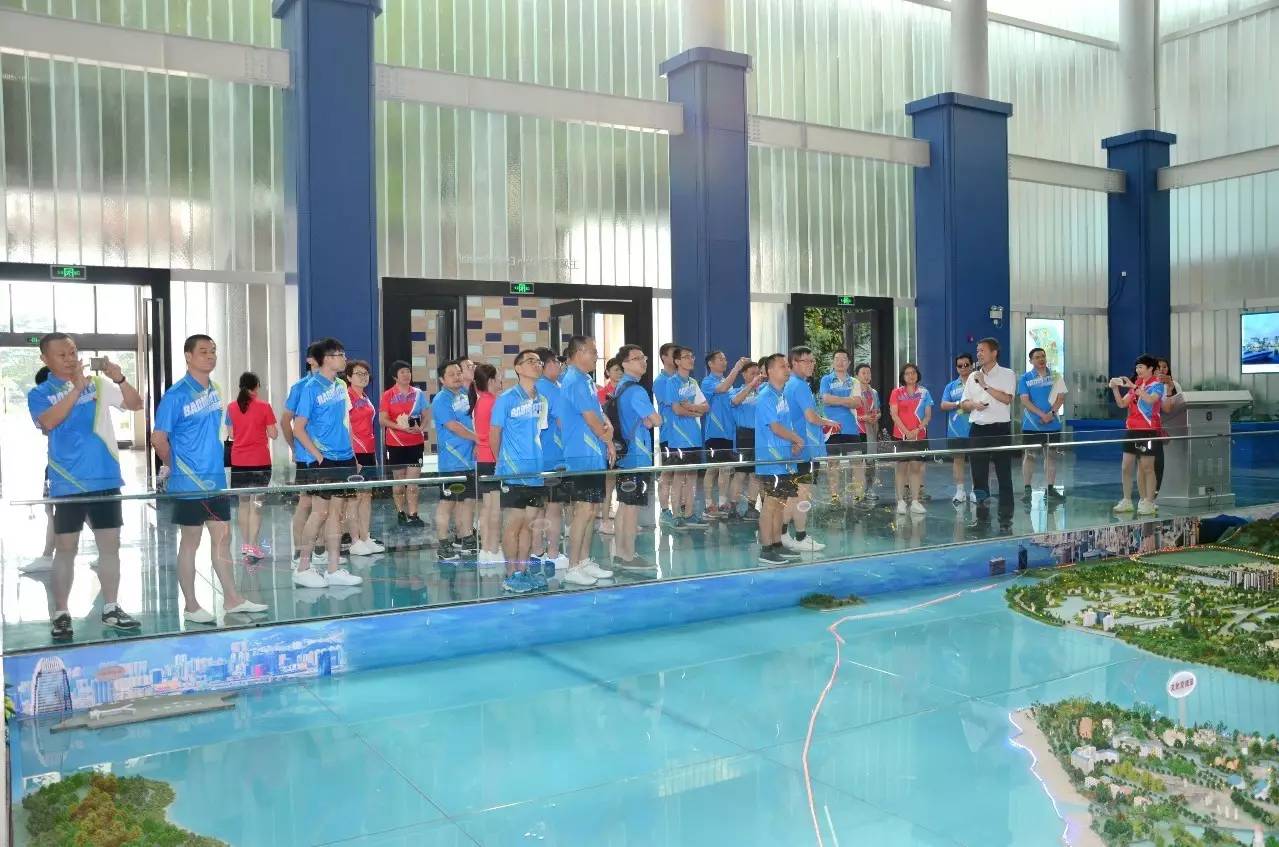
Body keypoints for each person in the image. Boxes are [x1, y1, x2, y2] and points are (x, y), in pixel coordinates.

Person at [29, 333, 144, 639]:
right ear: (45, 359)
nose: (70, 359)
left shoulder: (99, 385)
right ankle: (61, 613)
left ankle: (111, 607)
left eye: (73, 352)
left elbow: (136, 403)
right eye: (62, 355)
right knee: (66, 549)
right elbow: (48, 422)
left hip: (105, 478)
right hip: (67, 483)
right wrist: (76, 390)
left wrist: (119, 378)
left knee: (110, 547)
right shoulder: (40, 393)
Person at [153, 334, 269, 624]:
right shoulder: (176, 395)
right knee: (190, 541)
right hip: (189, 483)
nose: (210, 356)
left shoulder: (215, 390)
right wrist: (174, 466)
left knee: (223, 537)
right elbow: (158, 438)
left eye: (213, 351)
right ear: (188, 356)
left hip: (215, 479)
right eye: (203, 351)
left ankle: (232, 599)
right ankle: (191, 606)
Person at [291, 337, 363, 588]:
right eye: (340, 354)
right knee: (319, 512)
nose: (344, 359)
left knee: (336, 514)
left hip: (345, 457)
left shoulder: (341, 385)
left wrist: (353, 454)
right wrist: (319, 456)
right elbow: (298, 427)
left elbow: (346, 422)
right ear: (326, 359)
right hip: (324, 459)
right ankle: (303, 567)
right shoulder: (310, 388)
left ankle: (333, 568)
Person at [491, 350, 551, 594]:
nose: (537, 365)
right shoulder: (506, 398)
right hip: (513, 472)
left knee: (529, 525)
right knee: (513, 525)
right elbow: (494, 433)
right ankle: (510, 574)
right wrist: (501, 463)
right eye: (530, 361)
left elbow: (539, 432)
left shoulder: (542, 400)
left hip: (535, 471)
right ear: (518, 368)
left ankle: (523, 571)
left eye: (539, 361)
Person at [559, 335, 616, 585]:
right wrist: (608, 439)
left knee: (592, 510)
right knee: (582, 511)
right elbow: (591, 419)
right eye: (593, 351)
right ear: (579, 352)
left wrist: (608, 432)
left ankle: (583, 560)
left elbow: (600, 413)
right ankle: (572, 566)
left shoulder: (586, 380)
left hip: (593, 453)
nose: (596, 356)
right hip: (580, 453)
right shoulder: (573, 380)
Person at [782, 346, 838, 552]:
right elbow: (811, 417)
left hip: (796, 448)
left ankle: (787, 534)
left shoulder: (790, 384)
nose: (811, 364)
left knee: (795, 494)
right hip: (803, 449)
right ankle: (796, 536)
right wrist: (828, 421)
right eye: (806, 361)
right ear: (794, 363)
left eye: (812, 361)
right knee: (800, 494)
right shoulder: (800, 386)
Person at [612, 344, 661, 572]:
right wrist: (651, 419)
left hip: (625, 454)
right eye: (636, 358)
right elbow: (656, 420)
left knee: (624, 505)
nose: (643, 361)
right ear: (624, 364)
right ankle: (628, 556)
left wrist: (648, 419)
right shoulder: (636, 391)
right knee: (631, 508)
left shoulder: (621, 387)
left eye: (644, 357)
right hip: (637, 455)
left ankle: (621, 553)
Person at [755, 354, 805, 566]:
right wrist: (797, 439)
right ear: (770, 371)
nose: (787, 369)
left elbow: (785, 425)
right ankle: (766, 549)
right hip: (771, 459)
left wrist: (793, 444)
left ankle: (777, 544)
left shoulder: (781, 395)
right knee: (770, 504)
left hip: (785, 459)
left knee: (779, 504)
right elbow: (775, 427)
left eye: (787, 366)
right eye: (782, 366)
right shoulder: (766, 396)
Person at [961, 337, 1017, 524]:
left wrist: (985, 385)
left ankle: (1006, 519)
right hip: (978, 429)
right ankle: (982, 517)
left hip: (1000, 428)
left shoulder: (1007, 374)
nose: (978, 354)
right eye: (977, 350)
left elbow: (1007, 399)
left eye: (982, 350)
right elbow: (964, 403)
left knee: (1004, 472)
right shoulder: (972, 376)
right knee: (978, 473)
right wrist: (973, 404)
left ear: (994, 353)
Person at [226, 371, 277, 561]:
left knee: (243, 504)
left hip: (239, 462)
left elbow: (231, 434)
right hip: (260, 462)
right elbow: (273, 434)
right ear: (256, 386)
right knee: (257, 504)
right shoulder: (264, 407)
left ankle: (246, 544)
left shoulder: (231, 407)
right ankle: (253, 546)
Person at [432, 359, 479, 560]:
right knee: (448, 503)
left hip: (469, 460)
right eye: (451, 374)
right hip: (452, 461)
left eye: (459, 373)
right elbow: (453, 426)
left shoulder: (466, 395)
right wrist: (478, 438)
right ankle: (443, 543)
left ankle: (466, 538)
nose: (457, 377)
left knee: (467, 501)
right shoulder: (441, 400)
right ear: (442, 379)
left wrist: (477, 443)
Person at [1111, 354, 1170, 515]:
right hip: (1131, 430)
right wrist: (1115, 388)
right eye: (1137, 367)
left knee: (1147, 467)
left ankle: (1149, 501)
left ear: (1150, 368)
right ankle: (1127, 500)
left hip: (1148, 431)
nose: (1138, 370)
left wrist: (1133, 387)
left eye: (1141, 367)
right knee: (1126, 466)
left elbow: (1150, 400)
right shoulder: (1136, 385)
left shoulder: (1157, 385)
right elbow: (1122, 403)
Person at [661, 346, 709, 528]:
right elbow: (676, 409)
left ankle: (689, 514)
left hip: (695, 437)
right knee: (678, 478)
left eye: (692, 356)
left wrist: (691, 407)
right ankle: (676, 515)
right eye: (686, 356)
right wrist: (695, 411)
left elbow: (706, 407)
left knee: (692, 477)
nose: (691, 359)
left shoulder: (693, 382)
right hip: (678, 438)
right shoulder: (671, 382)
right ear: (677, 361)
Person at [533, 348, 569, 571]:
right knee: (553, 507)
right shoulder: (547, 388)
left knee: (541, 507)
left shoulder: (544, 387)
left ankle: (537, 551)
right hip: (552, 457)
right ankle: (553, 553)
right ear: (544, 366)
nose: (559, 365)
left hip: (544, 456)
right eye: (555, 362)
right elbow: (563, 421)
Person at [380, 360, 428, 528]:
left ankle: (414, 514)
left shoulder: (418, 394)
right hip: (396, 444)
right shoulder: (388, 395)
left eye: (408, 371)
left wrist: (421, 427)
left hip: (416, 444)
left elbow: (426, 414)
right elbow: (382, 420)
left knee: (413, 482)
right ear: (395, 376)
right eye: (402, 372)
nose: (406, 375)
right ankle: (400, 512)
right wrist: (400, 427)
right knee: (399, 482)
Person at [701, 351, 749, 519]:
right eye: (720, 359)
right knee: (712, 469)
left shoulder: (729, 384)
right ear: (710, 364)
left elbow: (734, 400)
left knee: (726, 469)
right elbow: (722, 388)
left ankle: (722, 503)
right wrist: (737, 368)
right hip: (715, 433)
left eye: (725, 359)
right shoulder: (707, 382)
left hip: (729, 433)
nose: (724, 361)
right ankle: (708, 505)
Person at [344, 360, 384, 556]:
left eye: (366, 373)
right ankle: (354, 541)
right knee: (354, 499)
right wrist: (353, 457)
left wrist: (373, 456)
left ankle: (365, 536)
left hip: (368, 452)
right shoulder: (347, 397)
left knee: (367, 496)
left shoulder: (365, 397)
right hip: (355, 453)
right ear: (348, 377)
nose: (363, 377)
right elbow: (346, 428)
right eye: (358, 373)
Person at [1018, 347, 1067, 502]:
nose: (1041, 359)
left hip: (1052, 424)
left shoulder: (1056, 376)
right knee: (1030, 455)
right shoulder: (1025, 378)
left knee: (1051, 456)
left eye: (1043, 356)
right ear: (1031, 360)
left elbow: (1060, 398)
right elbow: (1025, 400)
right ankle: (1027, 490)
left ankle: (1050, 489)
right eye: (1037, 357)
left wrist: (1051, 414)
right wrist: (1042, 415)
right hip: (1032, 424)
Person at [22, 366, 57, 573]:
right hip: (56, 464)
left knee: (54, 509)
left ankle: (47, 556)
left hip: (59, 467)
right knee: (71, 509)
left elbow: (46, 428)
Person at [888, 362, 933, 516]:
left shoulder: (924, 392)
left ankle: (915, 501)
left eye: (913, 372)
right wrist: (907, 432)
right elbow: (894, 415)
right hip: (901, 436)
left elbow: (928, 416)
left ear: (917, 374)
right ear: (903, 376)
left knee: (915, 468)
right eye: (907, 373)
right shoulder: (896, 392)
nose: (911, 375)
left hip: (919, 436)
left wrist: (917, 430)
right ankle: (900, 501)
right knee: (901, 468)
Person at [819, 350, 863, 504]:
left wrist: (835, 399)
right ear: (833, 361)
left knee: (857, 462)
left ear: (849, 363)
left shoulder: (854, 382)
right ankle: (834, 497)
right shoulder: (826, 379)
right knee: (833, 463)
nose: (840, 362)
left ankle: (858, 496)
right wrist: (847, 400)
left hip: (851, 428)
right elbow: (826, 399)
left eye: (844, 359)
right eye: (837, 358)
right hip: (831, 429)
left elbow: (857, 403)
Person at [471, 363, 504, 566]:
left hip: (483, 458)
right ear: (491, 380)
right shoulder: (492, 402)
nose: (501, 380)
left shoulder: (481, 400)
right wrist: (500, 459)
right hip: (491, 459)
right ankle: (492, 549)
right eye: (499, 377)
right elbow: (494, 435)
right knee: (494, 508)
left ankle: (486, 549)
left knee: (487, 507)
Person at [730, 358, 764, 519]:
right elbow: (735, 401)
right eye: (752, 373)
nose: (756, 376)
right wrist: (751, 385)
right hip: (744, 435)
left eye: (758, 373)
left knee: (756, 474)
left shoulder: (764, 392)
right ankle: (733, 508)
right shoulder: (736, 391)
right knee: (741, 473)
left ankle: (751, 507)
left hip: (761, 435)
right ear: (744, 375)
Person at [939, 354, 975, 506]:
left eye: (966, 365)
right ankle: (960, 491)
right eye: (960, 365)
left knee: (976, 460)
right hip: (956, 430)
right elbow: (943, 405)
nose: (963, 368)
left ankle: (976, 490)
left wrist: (968, 406)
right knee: (958, 459)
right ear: (956, 368)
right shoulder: (951, 386)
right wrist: (959, 404)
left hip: (975, 428)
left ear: (972, 365)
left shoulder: (978, 382)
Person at [596, 357, 624, 535]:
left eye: (621, 370)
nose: (619, 373)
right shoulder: (601, 393)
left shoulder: (626, 390)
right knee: (609, 481)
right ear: (607, 372)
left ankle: (623, 520)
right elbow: (599, 419)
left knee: (624, 480)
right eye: (615, 370)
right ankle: (605, 521)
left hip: (624, 439)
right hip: (609, 439)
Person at [653, 342, 679, 523]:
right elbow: (675, 403)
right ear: (664, 357)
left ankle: (682, 510)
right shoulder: (661, 381)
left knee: (683, 475)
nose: (677, 358)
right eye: (673, 354)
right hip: (669, 434)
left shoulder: (683, 380)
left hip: (686, 435)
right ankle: (664, 511)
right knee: (667, 474)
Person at [852, 363, 881, 502]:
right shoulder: (852, 392)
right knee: (857, 463)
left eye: (868, 373)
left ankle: (869, 489)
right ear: (856, 375)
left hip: (870, 432)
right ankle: (858, 493)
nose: (866, 376)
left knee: (870, 462)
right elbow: (850, 414)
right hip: (856, 431)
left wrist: (877, 416)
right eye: (863, 373)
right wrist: (863, 418)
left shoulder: (873, 392)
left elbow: (878, 411)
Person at [1154, 358, 1184, 495]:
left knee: (1174, 459)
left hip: (1174, 426)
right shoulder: (1151, 385)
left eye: (1165, 367)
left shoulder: (1175, 384)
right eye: (1159, 367)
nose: (1162, 369)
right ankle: (1156, 488)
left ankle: (1175, 485)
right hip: (1157, 426)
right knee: (1156, 459)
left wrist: (1170, 387)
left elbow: (1180, 403)